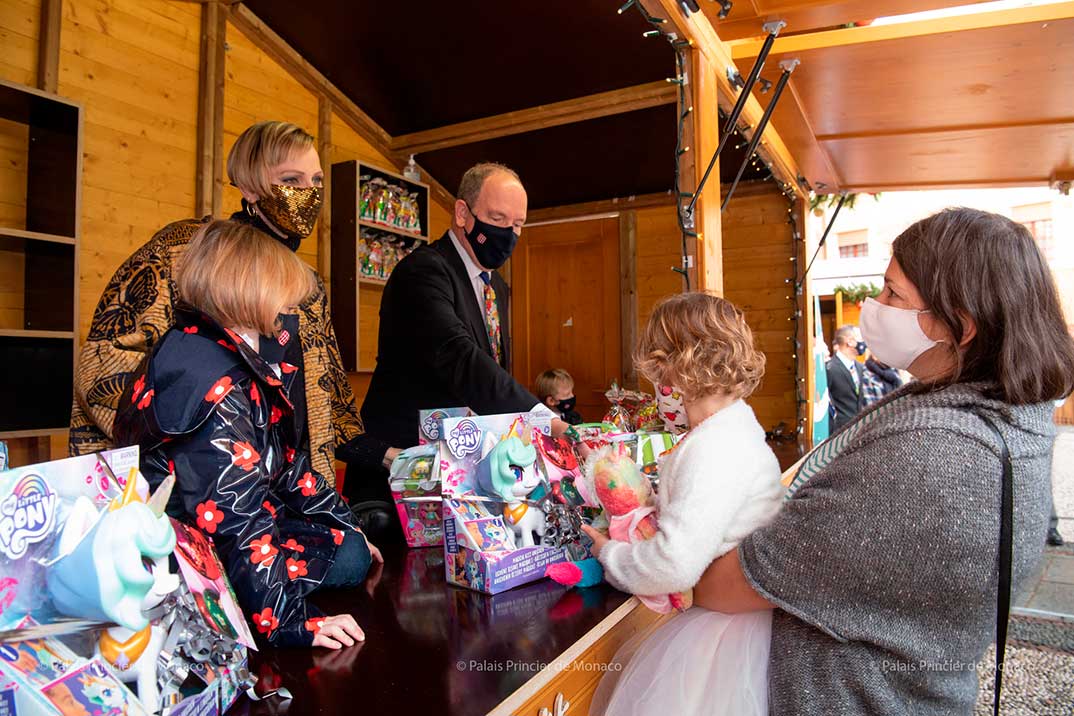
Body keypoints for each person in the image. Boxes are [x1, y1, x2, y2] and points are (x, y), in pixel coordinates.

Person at [688, 208, 1074, 715]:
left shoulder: (931, 454)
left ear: (959, 326)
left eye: (893, 293)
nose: (874, 306)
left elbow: (730, 585)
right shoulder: (1011, 418)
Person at [114, 220, 380, 649]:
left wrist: (344, 521)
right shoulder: (221, 384)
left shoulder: (200, 348)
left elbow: (287, 467)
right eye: (282, 302)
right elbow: (235, 519)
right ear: (250, 293)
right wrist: (291, 624)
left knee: (352, 545)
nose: (287, 315)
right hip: (186, 559)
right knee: (349, 557)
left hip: (201, 531)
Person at [70, 121, 362, 489]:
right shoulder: (187, 252)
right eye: (292, 180)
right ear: (249, 187)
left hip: (290, 493)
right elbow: (103, 363)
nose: (309, 193)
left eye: (316, 181)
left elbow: (328, 401)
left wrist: (386, 456)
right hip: (193, 486)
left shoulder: (307, 286)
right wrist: (195, 439)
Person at [583, 292, 783, 716]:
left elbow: (675, 565)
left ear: (676, 363)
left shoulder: (714, 447)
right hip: (731, 623)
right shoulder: (727, 429)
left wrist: (609, 554)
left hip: (722, 639)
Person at [343, 163, 568, 524]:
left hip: (459, 475)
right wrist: (545, 420)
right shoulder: (424, 272)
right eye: (496, 218)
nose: (508, 234)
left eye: (517, 225)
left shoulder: (497, 289)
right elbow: (461, 358)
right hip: (401, 477)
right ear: (463, 213)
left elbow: (491, 373)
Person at [826, 324, 866, 432]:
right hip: (839, 431)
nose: (863, 342)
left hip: (858, 430)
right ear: (850, 341)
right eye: (860, 338)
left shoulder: (860, 367)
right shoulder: (830, 368)